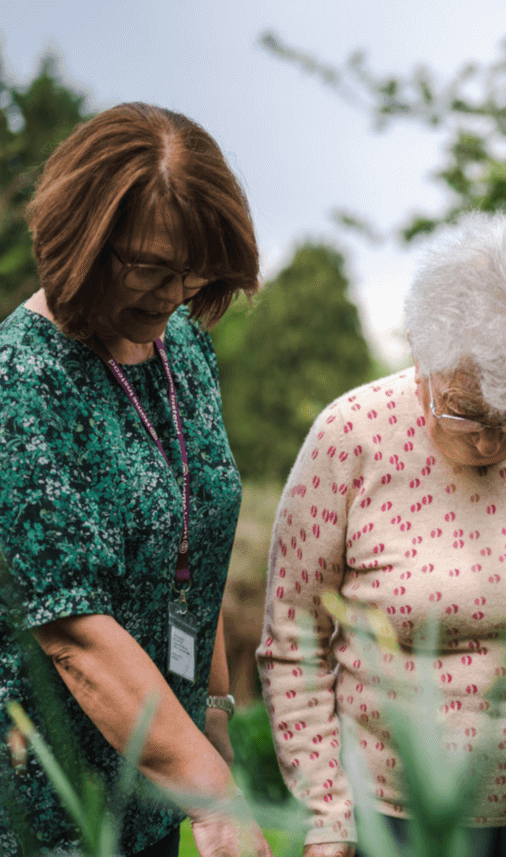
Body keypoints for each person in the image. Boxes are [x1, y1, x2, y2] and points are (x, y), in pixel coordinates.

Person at [257, 210, 506, 857]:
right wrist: (327, 814)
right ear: (423, 360)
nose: (492, 440)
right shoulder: (352, 435)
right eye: (468, 412)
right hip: (402, 815)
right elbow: (294, 640)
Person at [0, 103, 272, 857]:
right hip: (50, 813)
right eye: (151, 266)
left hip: (151, 791)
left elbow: (190, 541)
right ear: (83, 238)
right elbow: (74, 632)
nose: (173, 292)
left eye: (191, 270)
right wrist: (213, 799)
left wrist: (212, 713)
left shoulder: (182, 347)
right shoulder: (24, 383)